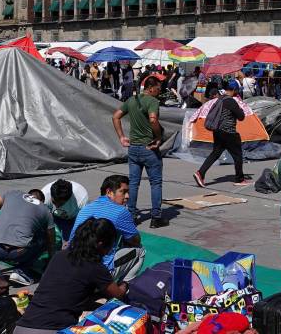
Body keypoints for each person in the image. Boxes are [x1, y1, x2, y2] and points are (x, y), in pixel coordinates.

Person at [12, 218, 128, 334]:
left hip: (22, 326)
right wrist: (125, 284)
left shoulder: (59, 256)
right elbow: (118, 295)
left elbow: (67, 294)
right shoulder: (95, 267)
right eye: (110, 246)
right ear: (100, 244)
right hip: (52, 329)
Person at [0, 188, 54, 286]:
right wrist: (51, 258)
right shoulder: (45, 210)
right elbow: (51, 240)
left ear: (27, 195)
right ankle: (22, 270)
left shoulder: (13, 194)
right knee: (44, 237)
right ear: (41, 201)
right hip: (19, 252)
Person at [111, 76, 167, 228]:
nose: (160, 90)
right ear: (150, 88)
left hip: (134, 148)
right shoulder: (153, 102)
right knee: (155, 183)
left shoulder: (131, 100)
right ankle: (156, 217)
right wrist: (158, 137)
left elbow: (116, 117)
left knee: (133, 183)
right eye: (158, 87)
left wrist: (122, 137)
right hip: (148, 148)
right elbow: (153, 120)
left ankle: (132, 215)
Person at [72, 174, 145, 282]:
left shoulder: (87, 207)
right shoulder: (120, 212)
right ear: (109, 192)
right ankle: (124, 286)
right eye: (123, 192)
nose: (127, 196)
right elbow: (136, 240)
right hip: (98, 271)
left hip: (74, 265)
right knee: (140, 251)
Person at [194, 80, 249, 187]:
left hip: (217, 131)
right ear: (233, 90)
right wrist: (240, 109)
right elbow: (241, 117)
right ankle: (239, 179)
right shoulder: (231, 101)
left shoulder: (220, 99)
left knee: (215, 153)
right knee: (238, 155)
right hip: (228, 132)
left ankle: (200, 173)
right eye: (237, 91)